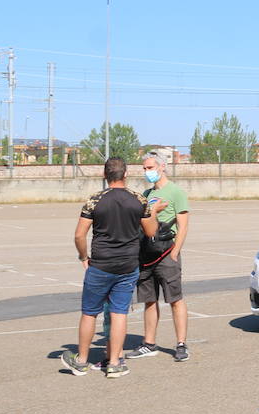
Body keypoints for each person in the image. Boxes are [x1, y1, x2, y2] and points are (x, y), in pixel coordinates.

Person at [63, 157, 163, 378]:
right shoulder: (138, 200)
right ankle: (115, 362)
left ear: (104, 175)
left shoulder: (95, 200)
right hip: (128, 264)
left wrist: (83, 256)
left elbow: (79, 235)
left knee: (90, 313)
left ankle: (81, 360)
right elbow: (150, 232)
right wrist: (153, 213)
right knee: (119, 313)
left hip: (101, 263)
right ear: (125, 174)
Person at [125, 152, 192, 362]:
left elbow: (183, 225)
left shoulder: (176, 193)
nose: (147, 172)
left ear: (162, 167)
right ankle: (149, 343)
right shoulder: (145, 193)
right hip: (147, 254)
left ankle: (181, 344)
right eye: (144, 168)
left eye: (149, 168)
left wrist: (174, 253)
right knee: (149, 300)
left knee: (175, 299)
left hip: (165, 253)